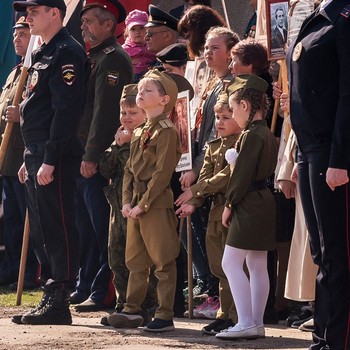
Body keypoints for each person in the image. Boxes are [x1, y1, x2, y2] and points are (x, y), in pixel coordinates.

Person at [11, 0, 89, 325]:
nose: (27, 16)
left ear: (54, 13)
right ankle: (50, 292)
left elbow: (65, 111)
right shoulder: (43, 51)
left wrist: (49, 159)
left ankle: (60, 298)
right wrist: (30, 156)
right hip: (37, 150)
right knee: (42, 224)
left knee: (57, 223)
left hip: (53, 152)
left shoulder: (66, 52)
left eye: (34, 11)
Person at [287, 1, 350, 349]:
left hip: (332, 151)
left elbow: (347, 93)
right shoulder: (318, 13)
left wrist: (341, 157)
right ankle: (323, 337)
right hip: (309, 149)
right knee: (321, 255)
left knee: (338, 255)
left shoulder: (343, 17)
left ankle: (338, 340)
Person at [107, 69, 181, 332]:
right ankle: (131, 309)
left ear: (164, 100)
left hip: (155, 204)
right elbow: (128, 169)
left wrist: (143, 204)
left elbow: (162, 173)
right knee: (135, 261)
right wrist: (127, 201)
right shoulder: (140, 131)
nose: (140, 93)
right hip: (136, 203)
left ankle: (165, 313)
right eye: (140, 89)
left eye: (148, 90)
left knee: (163, 261)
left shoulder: (166, 130)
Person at [72, 0, 133, 312]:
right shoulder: (92, 57)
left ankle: (102, 291)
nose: (84, 27)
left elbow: (104, 113)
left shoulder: (112, 59)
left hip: (97, 158)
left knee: (101, 228)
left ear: (109, 25)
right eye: (83, 22)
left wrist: (93, 154)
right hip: (82, 152)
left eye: (90, 22)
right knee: (85, 226)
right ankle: (85, 284)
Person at [180, 27, 240, 311]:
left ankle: (221, 296)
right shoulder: (211, 83)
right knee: (201, 231)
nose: (207, 52)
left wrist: (197, 169)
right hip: (201, 164)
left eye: (215, 48)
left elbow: (220, 135)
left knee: (215, 237)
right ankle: (210, 288)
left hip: (215, 168)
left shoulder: (231, 86)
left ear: (230, 53)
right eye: (207, 46)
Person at [216, 74, 278, 340]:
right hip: (263, 200)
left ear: (243, 105)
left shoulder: (252, 135)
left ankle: (245, 320)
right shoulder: (264, 132)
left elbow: (241, 175)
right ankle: (256, 322)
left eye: (232, 109)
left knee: (230, 263)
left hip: (249, 201)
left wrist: (229, 203)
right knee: (256, 263)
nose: (233, 116)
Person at [175, 91, 241, 334]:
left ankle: (237, 314)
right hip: (215, 209)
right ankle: (225, 313)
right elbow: (205, 175)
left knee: (235, 267)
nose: (220, 123)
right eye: (217, 117)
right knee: (220, 266)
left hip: (234, 208)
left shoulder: (242, 142)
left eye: (227, 117)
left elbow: (225, 177)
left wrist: (196, 190)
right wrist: (194, 200)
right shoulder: (214, 146)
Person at [98, 84, 157, 327]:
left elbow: (141, 166)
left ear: (144, 114)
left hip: (140, 206)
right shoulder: (120, 135)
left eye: (133, 113)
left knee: (141, 259)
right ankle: (122, 304)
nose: (127, 118)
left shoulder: (148, 136)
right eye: (124, 113)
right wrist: (119, 144)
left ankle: (146, 305)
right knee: (117, 258)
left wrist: (126, 145)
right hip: (118, 208)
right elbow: (105, 168)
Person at [0, 17, 40, 290]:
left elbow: (40, 110)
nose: (17, 39)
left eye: (23, 34)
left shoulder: (35, 71)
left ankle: (30, 273)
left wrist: (21, 114)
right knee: (12, 221)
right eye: (15, 34)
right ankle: (12, 269)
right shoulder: (16, 72)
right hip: (7, 159)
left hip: (24, 155)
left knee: (31, 220)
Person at [122, 9, 156, 83]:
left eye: (141, 28)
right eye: (133, 29)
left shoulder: (154, 47)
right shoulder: (123, 51)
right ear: (127, 31)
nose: (137, 32)